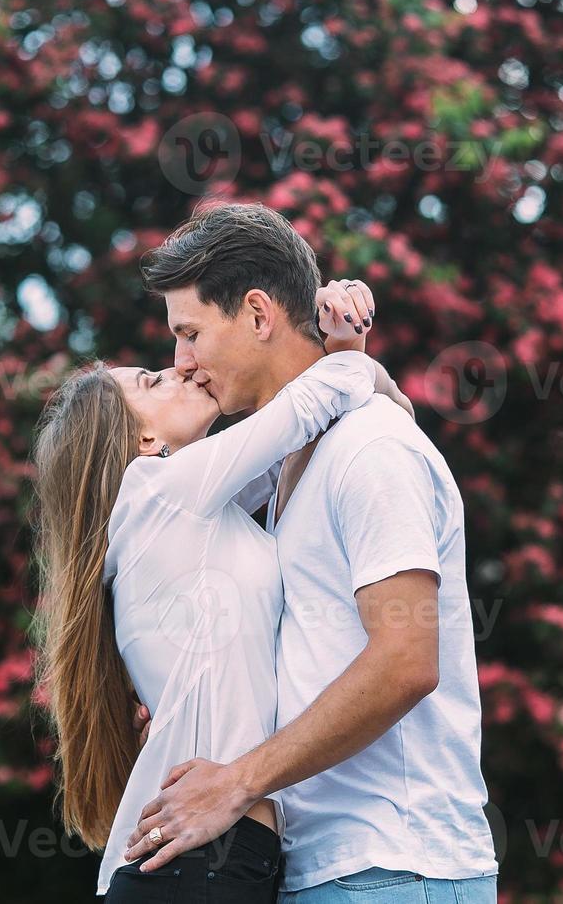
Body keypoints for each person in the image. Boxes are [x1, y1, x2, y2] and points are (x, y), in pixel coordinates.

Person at [122, 203, 498, 902]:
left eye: (191, 333)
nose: (180, 361)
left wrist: (238, 781)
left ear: (259, 315)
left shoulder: (369, 447)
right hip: (326, 866)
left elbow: (407, 662)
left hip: (394, 867)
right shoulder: (294, 460)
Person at [31, 261, 410, 901]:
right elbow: (312, 404)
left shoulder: (197, 514)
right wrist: (351, 353)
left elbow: (302, 443)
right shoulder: (160, 492)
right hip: (200, 863)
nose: (180, 368)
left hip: (217, 858)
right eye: (153, 380)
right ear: (144, 438)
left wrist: (339, 350)